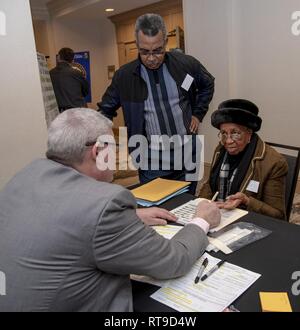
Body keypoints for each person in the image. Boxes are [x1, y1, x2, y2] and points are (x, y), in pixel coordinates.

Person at [0, 108, 220, 312]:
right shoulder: (105, 203)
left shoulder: (26, 176)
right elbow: (173, 261)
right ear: (97, 151)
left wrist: (129, 218)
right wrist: (201, 220)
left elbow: (57, 216)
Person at [97, 14, 215, 194]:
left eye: (158, 50)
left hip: (187, 150)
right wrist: (104, 142)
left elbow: (207, 83)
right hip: (150, 156)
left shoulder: (186, 65)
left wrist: (198, 114)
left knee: (187, 203)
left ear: (166, 42)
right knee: (155, 206)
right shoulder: (124, 77)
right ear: (137, 45)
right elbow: (104, 110)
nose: (152, 58)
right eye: (145, 52)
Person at [199, 99, 288, 220]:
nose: (228, 141)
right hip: (218, 215)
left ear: (249, 133)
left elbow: (278, 215)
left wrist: (246, 201)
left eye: (235, 133)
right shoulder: (220, 150)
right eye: (224, 133)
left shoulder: (274, 163)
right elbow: (210, 186)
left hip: (247, 222)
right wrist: (200, 203)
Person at [50, 47, 89, 112]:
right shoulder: (77, 73)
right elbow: (86, 92)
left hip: (58, 114)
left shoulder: (50, 74)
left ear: (58, 57)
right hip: (77, 111)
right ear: (72, 60)